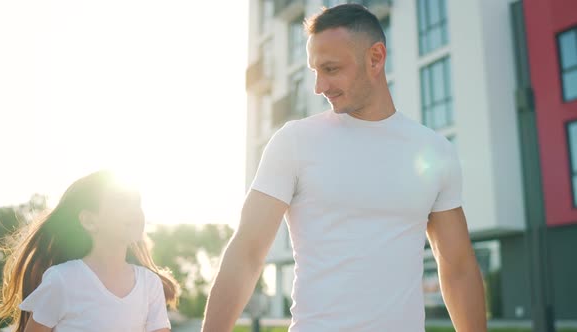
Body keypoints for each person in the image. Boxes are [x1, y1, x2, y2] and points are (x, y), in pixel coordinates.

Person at [202, 4, 487, 332]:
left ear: (375, 58)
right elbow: (247, 252)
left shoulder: (435, 152)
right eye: (315, 71)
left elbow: (457, 268)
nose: (319, 86)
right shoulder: (294, 142)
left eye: (331, 69)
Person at [0, 170, 179, 332]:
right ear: (89, 221)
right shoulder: (62, 280)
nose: (135, 210)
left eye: (137, 202)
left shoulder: (150, 284)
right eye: (121, 202)